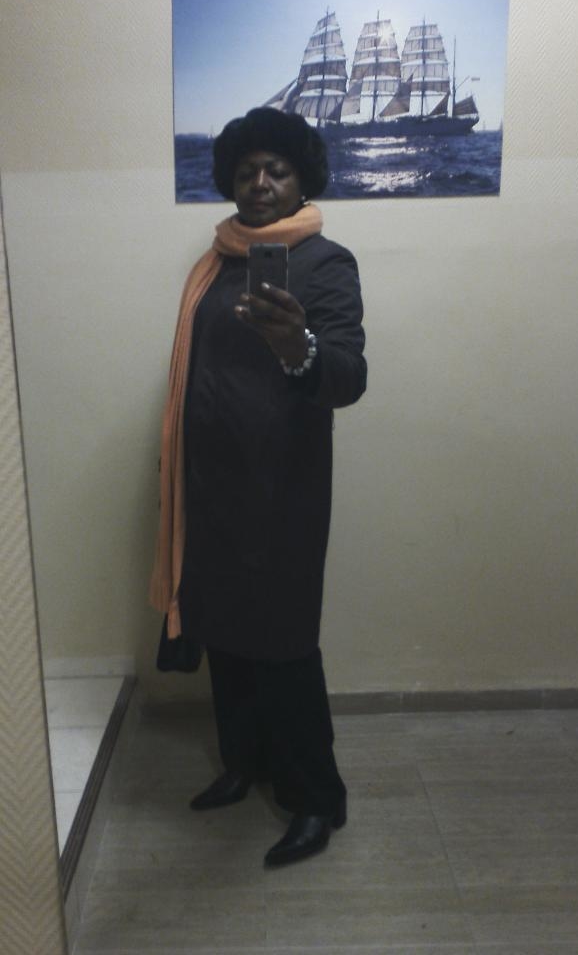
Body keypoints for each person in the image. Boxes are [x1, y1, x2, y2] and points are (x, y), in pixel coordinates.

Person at [150, 107, 366, 867]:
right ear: (229, 182)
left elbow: (348, 376)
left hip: (282, 494)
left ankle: (316, 798)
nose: (261, 182)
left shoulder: (326, 263)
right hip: (209, 491)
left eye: (277, 170)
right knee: (223, 634)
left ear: (302, 179)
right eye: (247, 171)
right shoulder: (213, 265)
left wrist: (297, 344)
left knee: (283, 645)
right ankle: (244, 763)